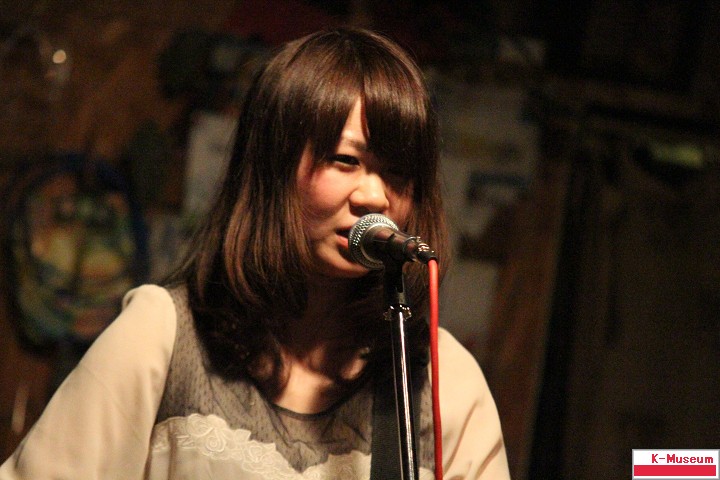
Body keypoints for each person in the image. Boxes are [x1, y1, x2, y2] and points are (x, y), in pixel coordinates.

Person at [0, 27, 510, 479]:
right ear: (273, 168)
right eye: (344, 160)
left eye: (397, 172)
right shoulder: (162, 335)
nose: (375, 196)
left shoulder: (444, 378)